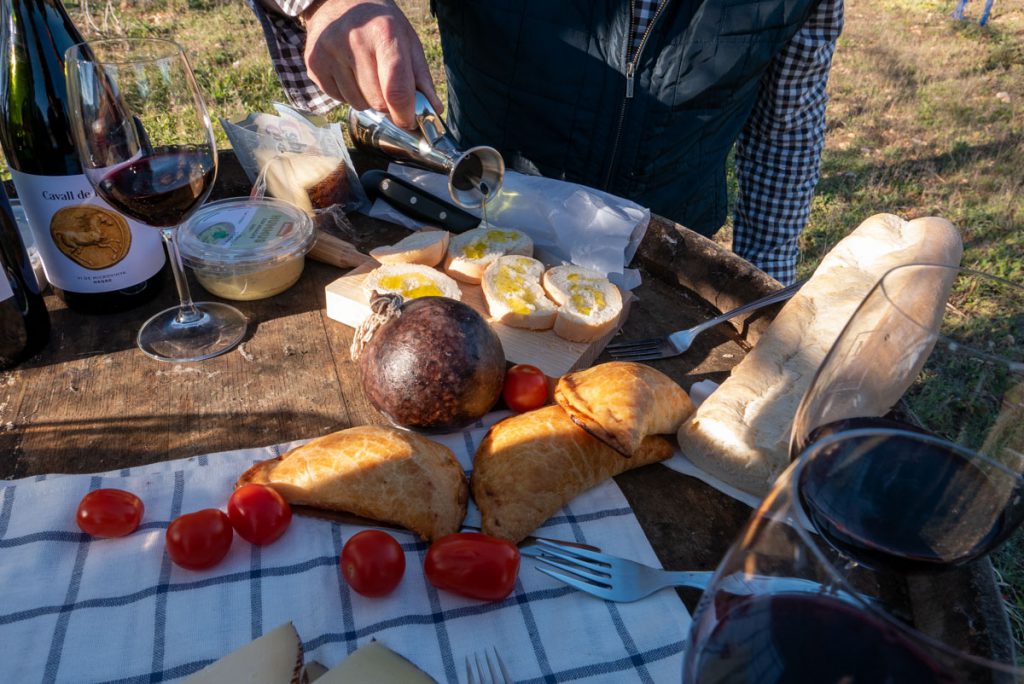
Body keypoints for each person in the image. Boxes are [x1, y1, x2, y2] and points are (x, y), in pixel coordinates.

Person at [247, 0, 845, 285]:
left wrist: (763, 297)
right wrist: (326, 5)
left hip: (671, 263)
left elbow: (784, 132)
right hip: (486, 244)